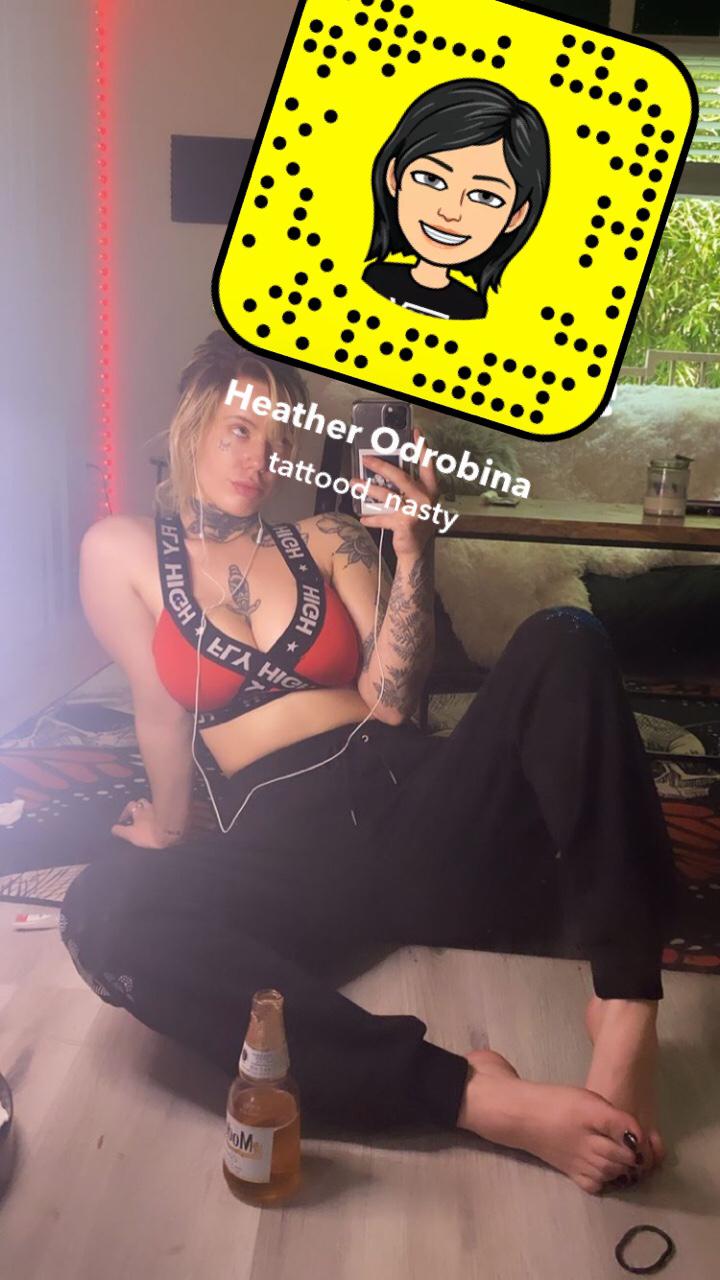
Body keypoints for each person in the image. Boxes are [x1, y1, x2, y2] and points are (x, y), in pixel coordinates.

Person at [60, 329, 678, 1196]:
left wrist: (415, 553)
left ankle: (625, 1011)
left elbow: (393, 701)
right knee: (103, 910)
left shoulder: (326, 537)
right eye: (240, 430)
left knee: (566, 638)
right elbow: (157, 705)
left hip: (409, 797)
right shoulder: (121, 547)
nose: (259, 459)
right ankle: (474, 1096)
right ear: (192, 420)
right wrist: (165, 829)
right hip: (285, 848)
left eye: (278, 441)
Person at [362, 79, 550, 320]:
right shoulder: (373, 279)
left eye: (485, 196)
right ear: (393, 177)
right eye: (431, 179)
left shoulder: (472, 311)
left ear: (516, 216)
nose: (451, 212)